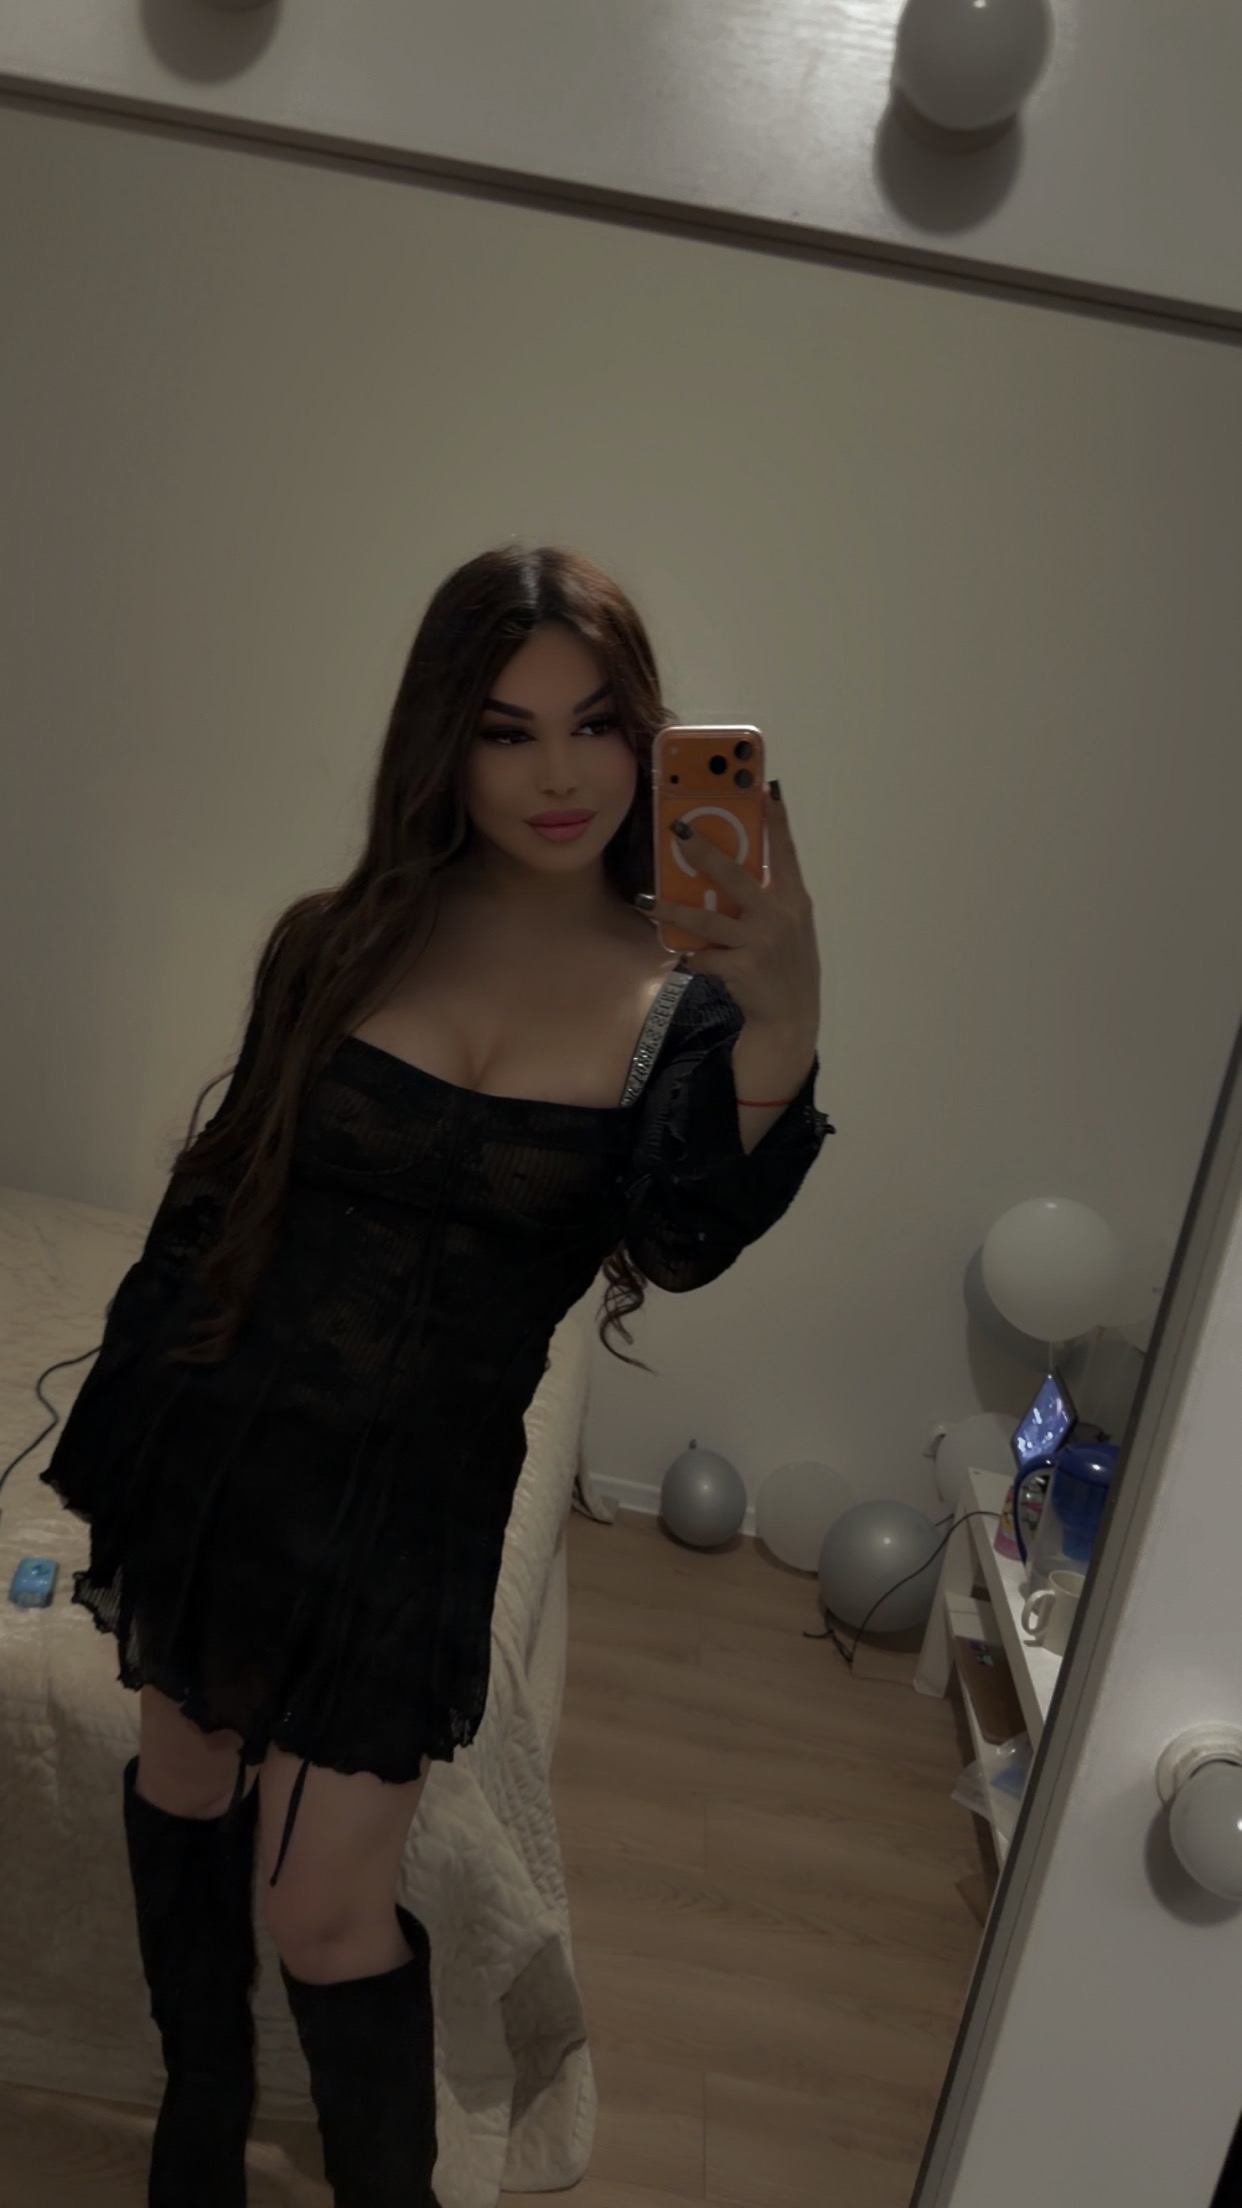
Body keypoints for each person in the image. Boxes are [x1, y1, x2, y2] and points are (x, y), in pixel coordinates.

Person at [39, 543, 833, 2207]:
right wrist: (124, 1441)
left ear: (647, 740)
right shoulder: (336, 941)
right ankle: (198, 2120)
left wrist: (782, 1019)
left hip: (411, 1507)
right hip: (221, 1440)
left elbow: (681, 1237)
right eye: (505, 731)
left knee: (324, 1908)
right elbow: (214, 1208)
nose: (558, 776)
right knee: (181, 1776)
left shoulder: (675, 1011)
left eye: (595, 725)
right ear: (442, 746)